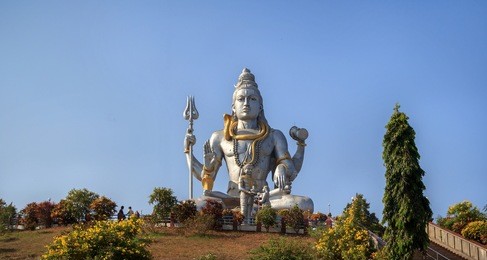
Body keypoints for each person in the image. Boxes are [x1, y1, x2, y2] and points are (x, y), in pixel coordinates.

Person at [184, 68, 313, 212]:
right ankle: (248, 210)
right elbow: (205, 179)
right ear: (233, 107)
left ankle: (252, 210)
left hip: (265, 197)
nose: (246, 103)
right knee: (199, 205)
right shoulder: (220, 138)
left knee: (305, 204)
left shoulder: (274, 136)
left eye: (252, 99)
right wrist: (189, 152)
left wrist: (282, 167)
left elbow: (291, 171)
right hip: (232, 198)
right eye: (241, 99)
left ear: (260, 107)